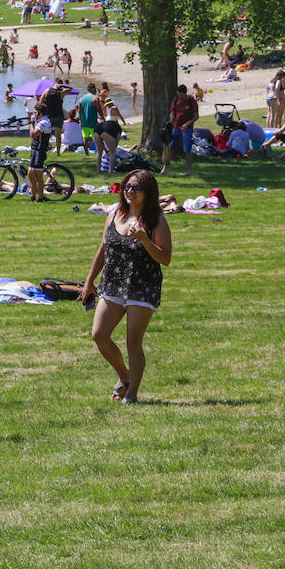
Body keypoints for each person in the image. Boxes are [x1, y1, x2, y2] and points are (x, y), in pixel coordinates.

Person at [82, 169, 172, 403]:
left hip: (142, 287)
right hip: (112, 284)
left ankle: (131, 395)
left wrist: (144, 239)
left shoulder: (156, 221)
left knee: (133, 343)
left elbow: (165, 259)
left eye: (136, 188)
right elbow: (103, 250)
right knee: (99, 335)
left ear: (148, 193)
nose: (129, 191)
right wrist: (90, 281)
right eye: (127, 186)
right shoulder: (113, 216)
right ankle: (125, 377)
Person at [162, 84, 198, 175]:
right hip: (176, 127)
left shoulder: (191, 101)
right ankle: (165, 167)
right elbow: (172, 112)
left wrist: (187, 124)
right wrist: (171, 120)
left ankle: (190, 170)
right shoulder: (176, 100)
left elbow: (196, 116)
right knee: (171, 146)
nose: (178, 95)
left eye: (179, 94)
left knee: (187, 149)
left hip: (187, 128)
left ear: (183, 93)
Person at [41, 78, 66, 154]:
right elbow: (70, 89)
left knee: (45, 134)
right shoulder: (61, 93)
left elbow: (41, 102)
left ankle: (43, 149)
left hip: (49, 115)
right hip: (59, 115)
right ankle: (58, 152)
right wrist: (64, 85)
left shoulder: (47, 91)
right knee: (58, 136)